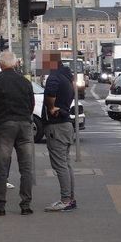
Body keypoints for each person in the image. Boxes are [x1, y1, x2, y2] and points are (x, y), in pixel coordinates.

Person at [0, 51, 35, 216]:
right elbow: (31, 105)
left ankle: (0, 205)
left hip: (4, 127)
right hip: (25, 125)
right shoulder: (25, 83)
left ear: (0, 65)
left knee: (2, 166)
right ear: (16, 63)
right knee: (26, 168)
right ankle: (26, 205)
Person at [42, 52, 77, 212]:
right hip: (66, 125)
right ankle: (70, 198)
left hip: (56, 126)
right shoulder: (67, 77)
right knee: (66, 164)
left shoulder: (54, 77)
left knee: (60, 165)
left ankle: (65, 200)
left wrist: (50, 108)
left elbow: (50, 93)